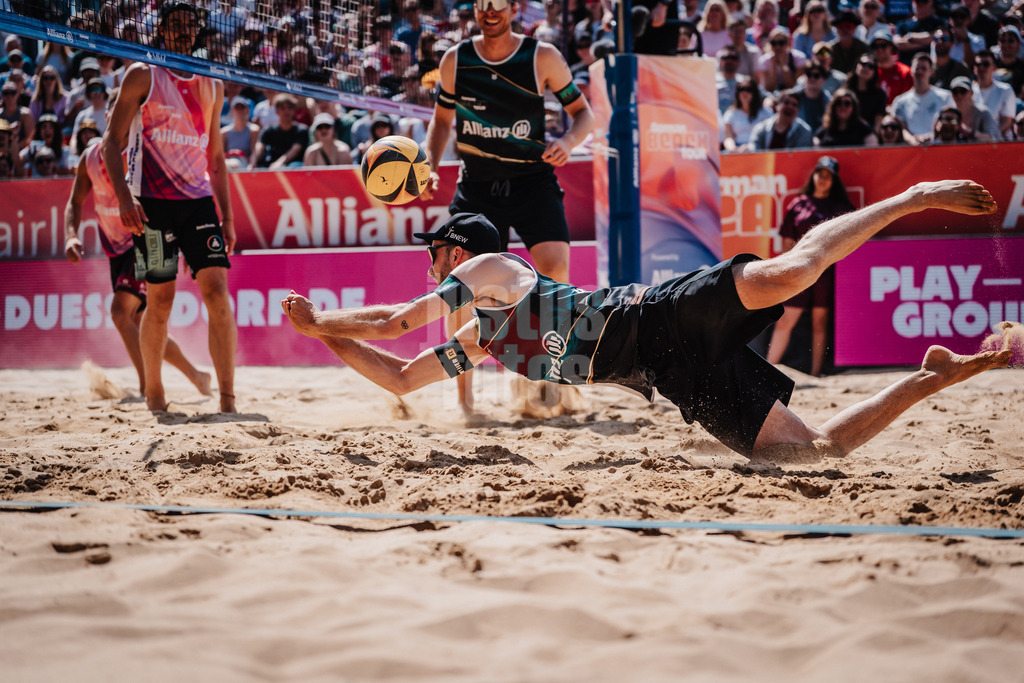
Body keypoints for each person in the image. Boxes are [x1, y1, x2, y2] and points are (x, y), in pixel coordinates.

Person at [281, 182, 1013, 461]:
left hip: (661, 308)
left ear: (455, 250)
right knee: (812, 454)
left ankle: (913, 197)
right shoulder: (482, 331)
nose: (431, 263)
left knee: (793, 271)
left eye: (435, 251)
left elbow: (398, 320)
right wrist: (326, 337)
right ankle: (931, 377)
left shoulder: (487, 269)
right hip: (666, 369)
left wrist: (324, 320)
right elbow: (403, 373)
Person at [420, 0, 595, 413]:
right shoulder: (456, 59)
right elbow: (442, 121)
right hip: (477, 185)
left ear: (514, 8)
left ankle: (552, 382)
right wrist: (430, 163)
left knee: (554, 270)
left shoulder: (542, 56)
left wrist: (568, 142)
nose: (489, 11)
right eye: (482, 5)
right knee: (455, 286)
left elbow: (583, 115)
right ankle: (465, 398)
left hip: (533, 181)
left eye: (497, 4)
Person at [101, 0, 237, 413]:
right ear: (161, 30)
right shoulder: (143, 74)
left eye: (188, 25)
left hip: (198, 203)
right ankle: (156, 395)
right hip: (152, 203)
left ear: (196, 32)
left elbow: (216, 159)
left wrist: (227, 216)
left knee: (217, 293)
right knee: (159, 301)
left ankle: (228, 400)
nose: (181, 31)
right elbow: (110, 143)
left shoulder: (211, 82)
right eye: (174, 25)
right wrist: (125, 197)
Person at [64, 121, 213, 400]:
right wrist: (71, 235)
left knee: (121, 313)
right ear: (111, 115)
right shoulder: (91, 157)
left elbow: (173, 201)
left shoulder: (143, 153)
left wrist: (183, 246)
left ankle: (147, 387)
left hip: (143, 239)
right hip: (116, 249)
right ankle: (197, 376)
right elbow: (74, 202)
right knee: (142, 322)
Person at [766, 156, 855, 378]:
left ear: (834, 181)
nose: (823, 179)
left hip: (825, 273)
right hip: (799, 270)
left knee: (819, 323)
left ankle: (816, 373)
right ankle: (766, 370)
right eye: (820, 173)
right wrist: (787, 268)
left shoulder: (841, 208)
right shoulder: (799, 203)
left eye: (828, 176)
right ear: (814, 175)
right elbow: (787, 242)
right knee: (785, 320)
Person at [891, 52, 953, 141]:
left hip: (938, 148)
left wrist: (931, 137)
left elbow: (951, 123)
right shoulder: (900, 101)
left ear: (931, 72)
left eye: (924, 68)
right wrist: (913, 140)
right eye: (917, 68)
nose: (919, 72)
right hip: (912, 151)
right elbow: (901, 128)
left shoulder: (945, 97)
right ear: (911, 70)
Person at [251, 92, 308, 169]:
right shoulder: (269, 130)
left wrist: (279, 163)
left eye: (289, 108)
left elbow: (295, 150)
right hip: (273, 166)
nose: (286, 111)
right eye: (282, 108)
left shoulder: (301, 130)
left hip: (294, 167)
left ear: (294, 111)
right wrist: (253, 163)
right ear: (276, 111)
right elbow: (259, 147)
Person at [749, 88, 815, 149]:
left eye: (794, 104)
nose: (790, 107)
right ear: (777, 106)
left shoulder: (804, 132)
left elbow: (800, 157)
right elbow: (754, 152)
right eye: (786, 103)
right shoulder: (761, 129)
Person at [972, 49, 1017, 138]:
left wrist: (989, 137)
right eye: (978, 64)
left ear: (994, 68)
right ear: (974, 68)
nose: (981, 68)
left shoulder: (1005, 90)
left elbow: (1006, 123)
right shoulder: (968, 91)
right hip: (974, 142)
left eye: (986, 64)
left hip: (999, 143)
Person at [723, 80, 773, 151]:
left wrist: (751, 148)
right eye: (741, 89)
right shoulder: (731, 113)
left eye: (748, 89)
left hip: (760, 150)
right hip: (738, 150)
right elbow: (728, 137)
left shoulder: (766, 112)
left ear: (755, 92)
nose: (744, 92)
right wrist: (734, 149)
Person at [949, 76, 1001, 142]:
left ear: (971, 93)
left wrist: (969, 131)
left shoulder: (983, 113)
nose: (959, 95)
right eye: (955, 92)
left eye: (963, 91)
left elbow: (994, 138)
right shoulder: (948, 114)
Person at [758, 27, 807, 94]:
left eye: (781, 43)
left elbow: (794, 87)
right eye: (773, 43)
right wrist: (773, 66)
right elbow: (769, 88)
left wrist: (784, 65)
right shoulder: (764, 60)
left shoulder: (799, 58)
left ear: (787, 43)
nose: (777, 47)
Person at [844, 54, 889, 126]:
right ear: (856, 66)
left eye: (871, 66)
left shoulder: (880, 95)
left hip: (868, 135)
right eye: (863, 64)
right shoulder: (845, 91)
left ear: (874, 72)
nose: (866, 68)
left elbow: (878, 123)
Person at [872, 30, 912, 104]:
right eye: (876, 47)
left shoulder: (905, 72)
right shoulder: (869, 71)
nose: (879, 50)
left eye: (883, 46)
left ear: (892, 48)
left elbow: (908, 100)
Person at [221, 95, 259, 170]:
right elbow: (221, 154)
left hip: (244, 164)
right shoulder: (224, 132)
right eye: (237, 108)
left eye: (242, 108)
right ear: (231, 111)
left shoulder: (253, 130)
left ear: (247, 110)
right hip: (228, 161)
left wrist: (251, 165)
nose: (239, 110)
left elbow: (254, 152)